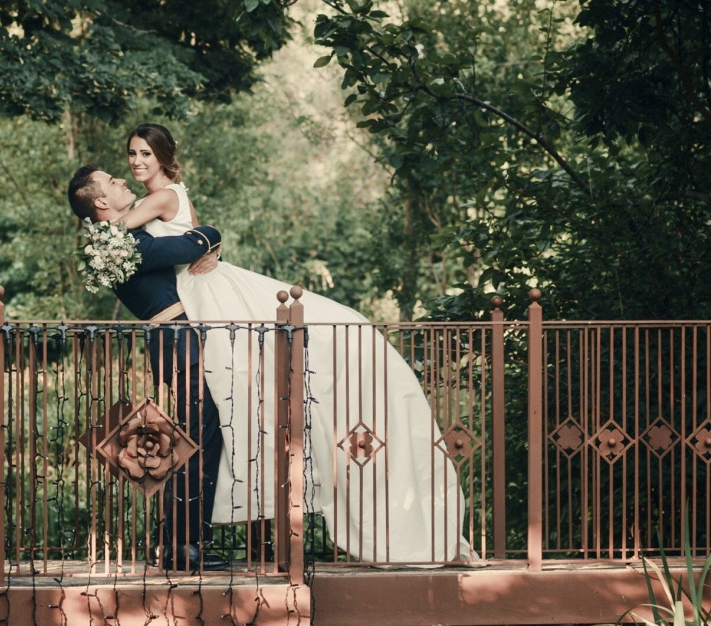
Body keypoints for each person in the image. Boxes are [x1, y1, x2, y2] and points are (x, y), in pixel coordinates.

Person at [118, 123, 472, 564]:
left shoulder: (162, 196)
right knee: (241, 394)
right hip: (197, 299)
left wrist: (116, 230)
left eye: (145, 154)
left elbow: (118, 230)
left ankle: (220, 528)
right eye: (132, 154)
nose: (136, 162)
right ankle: (214, 528)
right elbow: (183, 244)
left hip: (209, 295)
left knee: (267, 363)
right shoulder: (164, 199)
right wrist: (207, 238)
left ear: (163, 158)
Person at [67, 165, 230, 572]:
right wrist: (212, 235)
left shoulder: (121, 239)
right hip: (178, 341)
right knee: (198, 438)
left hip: (178, 340)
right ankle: (182, 547)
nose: (123, 180)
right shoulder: (119, 244)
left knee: (200, 436)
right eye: (112, 182)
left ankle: (184, 542)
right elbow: (190, 246)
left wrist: (207, 240)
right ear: (101, 202)